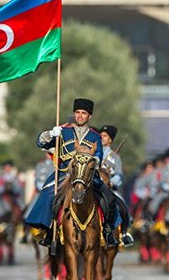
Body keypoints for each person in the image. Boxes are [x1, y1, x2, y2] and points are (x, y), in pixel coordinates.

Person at [25, 98, 119, 247]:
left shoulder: (95, 136)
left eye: (83, 113)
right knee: (48, 193)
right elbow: (40, 143)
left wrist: (90, 162)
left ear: (89, 116)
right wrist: (50, 134)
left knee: (108, 197)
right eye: (77, 112)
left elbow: (99, 156)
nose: (80, 115)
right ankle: (49, 230)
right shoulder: (63, 132)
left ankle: (107, 229)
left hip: (87, 175)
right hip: (64, 174)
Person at [100, 125, 134, 246]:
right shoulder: (94, 153)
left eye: (105, 136)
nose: (102, 138)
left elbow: (119, 174)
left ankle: (124, 232)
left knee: (122, 206)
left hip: (110, 189)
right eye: (101, 135)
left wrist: (111, 182)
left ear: (110, 140)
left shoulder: (115, 157)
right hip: (96, 187)